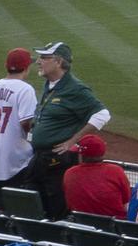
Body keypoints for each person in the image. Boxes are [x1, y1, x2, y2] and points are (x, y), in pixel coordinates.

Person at [25, 42, 112, 218]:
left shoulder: (75, 88)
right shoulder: (52, 85)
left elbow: (103, 114)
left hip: (57, 161)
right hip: (41, 158)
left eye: (44, 58)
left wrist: (72, 141)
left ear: (58, 62)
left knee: (56, 208)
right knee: (33, 205)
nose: (38, 62)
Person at [0, 49, 40, 197]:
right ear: (26, 68)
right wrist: (29, 135)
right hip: (20, 161)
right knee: (22, 211)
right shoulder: (25, 89)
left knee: (1, 212)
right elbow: (26, 121)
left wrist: (0, 135)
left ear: (5, 65)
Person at [61, 135, 131, 217]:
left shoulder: (70, 173)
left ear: (82, 155)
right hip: (114, 226)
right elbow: (126, 200)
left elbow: (69, 204)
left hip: (82, 224)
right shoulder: (116, 171)